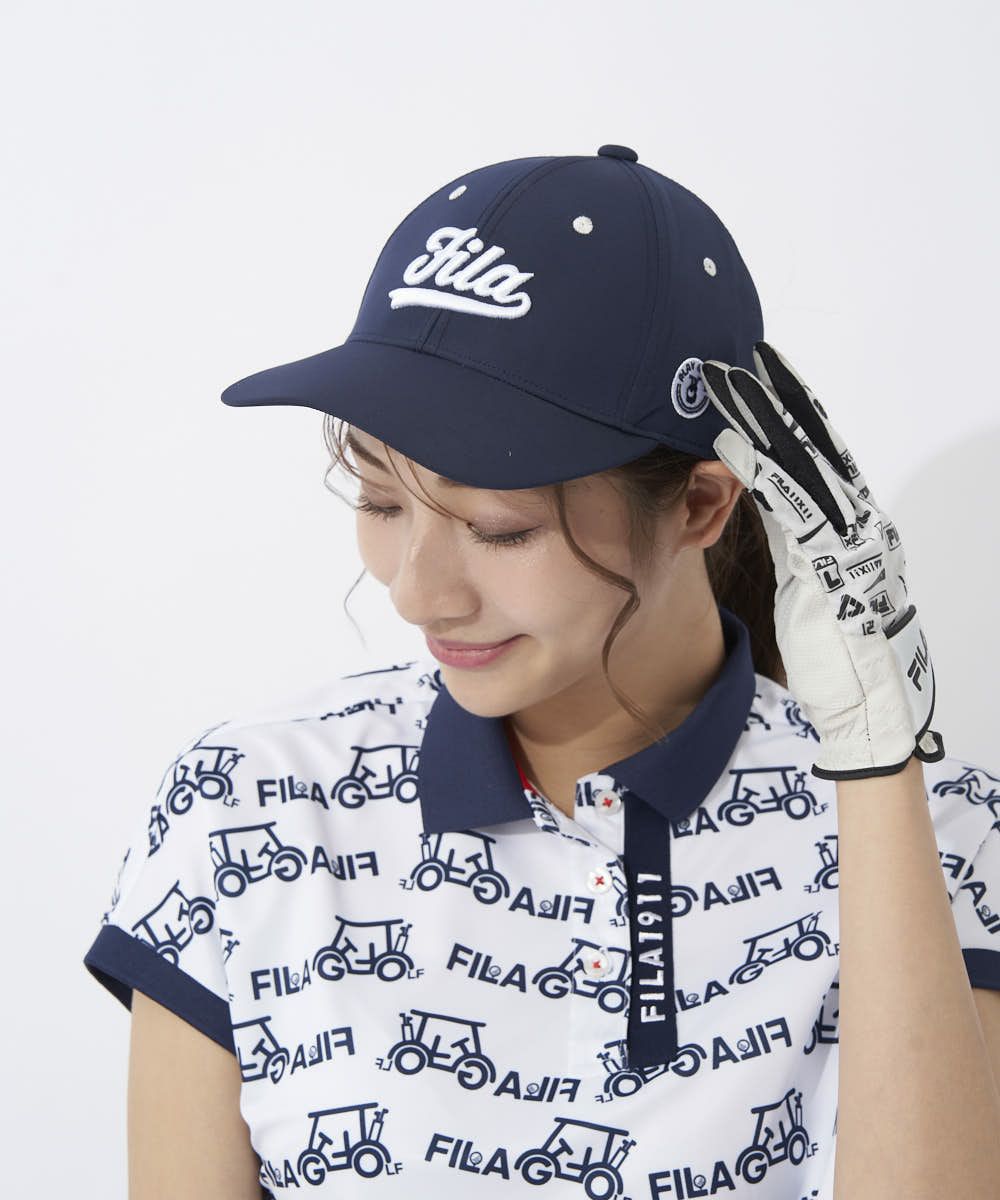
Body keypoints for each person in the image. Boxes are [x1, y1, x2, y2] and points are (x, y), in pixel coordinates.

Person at [83, 145, 1000, 1198]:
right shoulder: (249, 810)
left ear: (703, 504)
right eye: (380, 502)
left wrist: (876, 768)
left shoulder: (945, 835)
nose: (417, 593)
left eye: (498, 527)